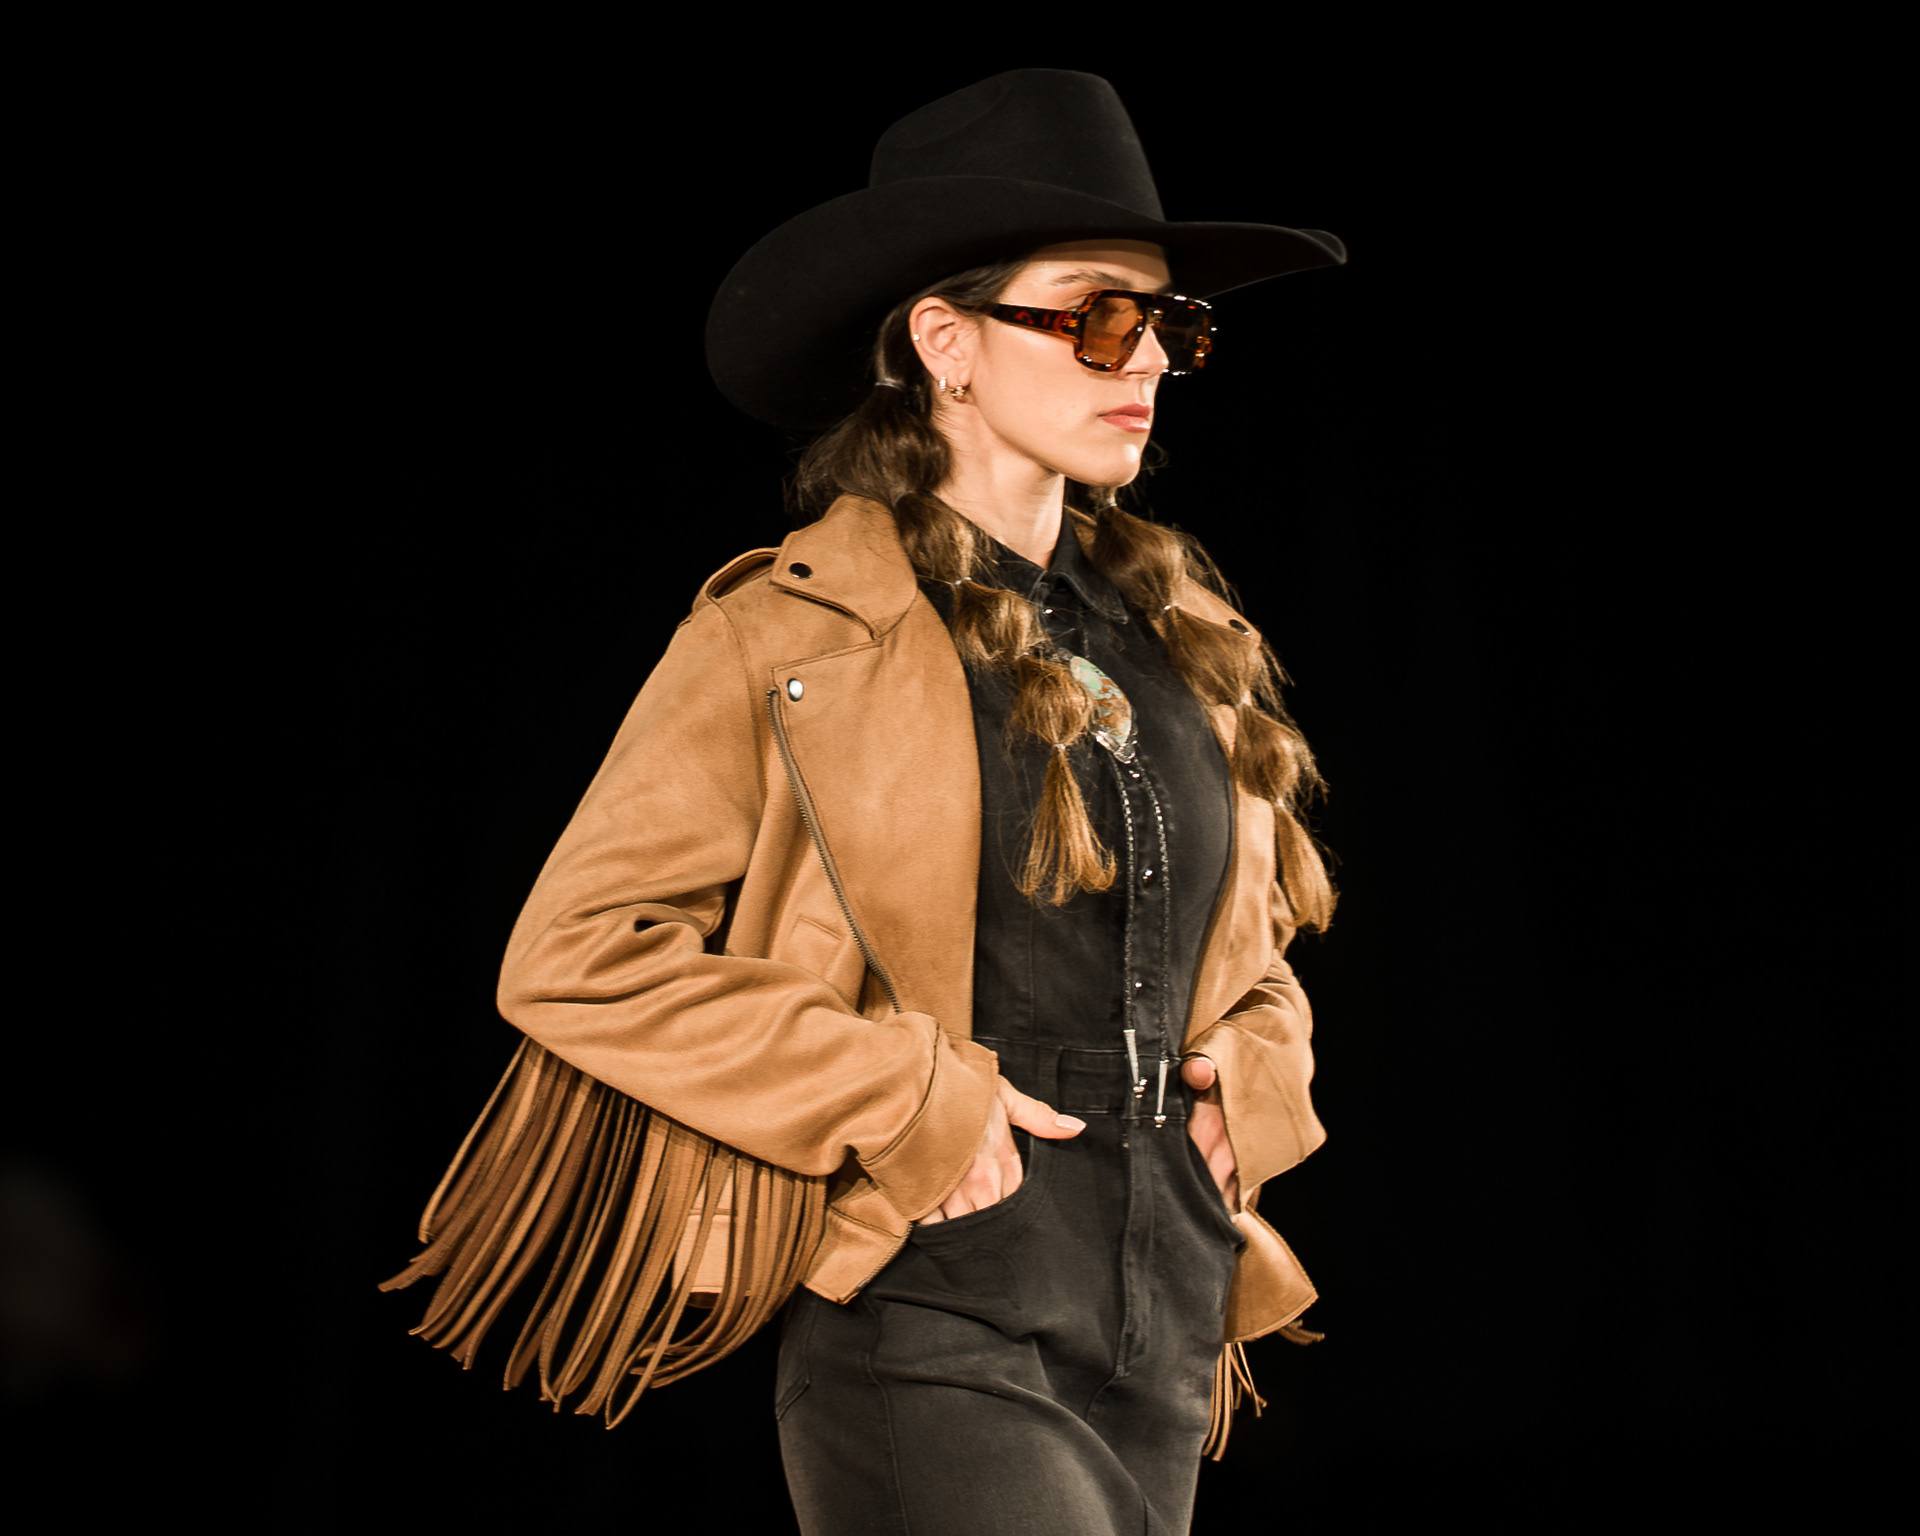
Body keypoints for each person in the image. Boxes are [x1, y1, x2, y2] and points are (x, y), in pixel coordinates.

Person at [384, 69, 1344, 1536]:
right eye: (1098, 315)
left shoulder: (1183, 641)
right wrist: (900, 1097)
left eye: (1171, 324)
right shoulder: (789, 635)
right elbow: (577, 953)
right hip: (932, 1299)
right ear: (945, 343)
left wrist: (1256, 1074)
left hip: (1163, 1305)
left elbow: (1248, 954)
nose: (1147, 355)